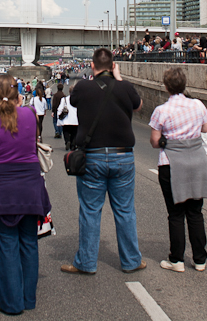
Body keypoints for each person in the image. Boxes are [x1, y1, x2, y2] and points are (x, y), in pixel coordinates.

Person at [62, 48, 146, 275]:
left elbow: (75, 101)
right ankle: (131, 261)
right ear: (113, 66)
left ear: (92, 65)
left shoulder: (83, 87)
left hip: (93, 157)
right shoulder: (125, 88)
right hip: (123, 156)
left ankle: (86, 263)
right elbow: (137, 105)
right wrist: (117, 78)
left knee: (90, 211)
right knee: (125, 210)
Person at [0, 74, 51, 316]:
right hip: (30, 187)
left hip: (3, 190)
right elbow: (34, 141)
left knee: (8, 246)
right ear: (18, 92)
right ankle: (28, 298)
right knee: (29, 243)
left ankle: (11, 303)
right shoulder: (30, 115)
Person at [148, 67, 207, 272]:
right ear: (184, 85)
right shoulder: (197, 105)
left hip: (171, 163)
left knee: (175, 213)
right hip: (196, 161)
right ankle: (200, 259)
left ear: (166, 87)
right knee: (195, 211)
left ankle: (177, 259)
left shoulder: (162, 111)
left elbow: (155, 142)